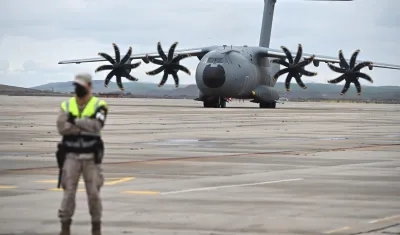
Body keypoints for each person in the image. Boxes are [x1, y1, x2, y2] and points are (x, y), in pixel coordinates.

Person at [56, 73, 108, 235]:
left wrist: (75, 121)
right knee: (68, 193)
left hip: (91, 157)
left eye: (81, 86)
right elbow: (61, 127)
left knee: (93, 193)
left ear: (89, 86)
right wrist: (84, 124)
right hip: (70, 156)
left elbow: (96, 126)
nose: (78, 89)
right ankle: (65, 228)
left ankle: (96, 228)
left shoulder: (99, 104)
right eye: (76, 86)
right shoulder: (66, 105)